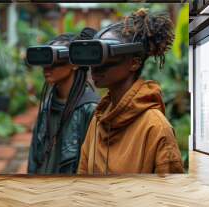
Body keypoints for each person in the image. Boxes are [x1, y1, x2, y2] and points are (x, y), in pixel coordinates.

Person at [77, 9, 184, 174]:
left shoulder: (156, 127)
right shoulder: (99, 119)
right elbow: (82, 175)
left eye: (105, 57)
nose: (95, 68)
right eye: (94, 58)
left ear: (134, 63)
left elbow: (168, 194)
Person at [28, 28, 100, 174]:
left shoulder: (90, 109)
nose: (46, 68)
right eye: (44, 61)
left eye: (55, 62)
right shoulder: (47, 106)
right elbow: (34, 157)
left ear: (75, 63)